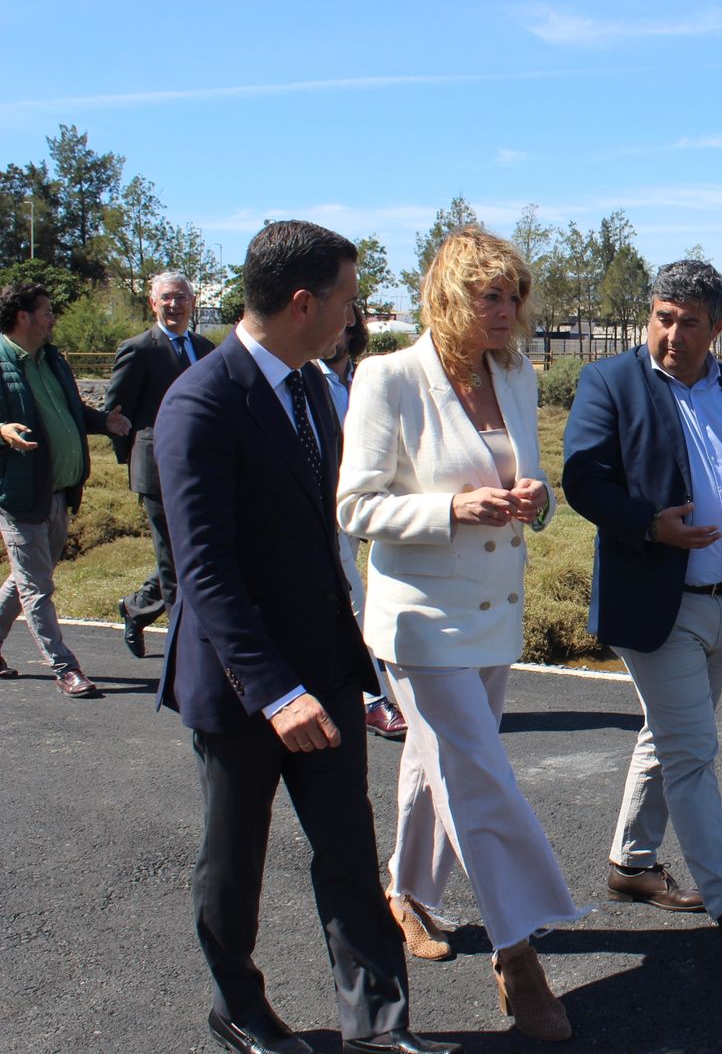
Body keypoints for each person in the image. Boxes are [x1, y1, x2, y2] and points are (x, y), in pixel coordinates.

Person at [155, 220, 459, 1054]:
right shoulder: (202, 402)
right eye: (347, 298)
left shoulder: (319, 389)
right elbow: (205, 571)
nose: (352, 315)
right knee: (234, 861)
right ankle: (239, 1008)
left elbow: (325, 540)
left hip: (322, 669)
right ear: (301, 303)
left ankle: (378, 1025)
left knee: (349, 857)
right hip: (242, 685)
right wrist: (277, 692)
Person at [338, 226, 579, 1043]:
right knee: (477, 775)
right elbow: (355, 506)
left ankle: (405, 893)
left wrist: (535, 500)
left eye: (515, 295)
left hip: (492, 615)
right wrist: (448, 509)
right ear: (449, 298)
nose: (508, 310)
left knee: (434, 762)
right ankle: (519, 956)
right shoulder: (389, 378)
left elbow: (529, 486)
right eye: (491, 296)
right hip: (419, 620)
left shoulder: (515, 373)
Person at [563, 259, 722, 957]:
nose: (672, 334)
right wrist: (648, 523)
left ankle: (631, 866)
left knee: (667, 738)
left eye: (689, 323)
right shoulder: (611, 382)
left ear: (718, 327)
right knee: (693, 752)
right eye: (662, 318)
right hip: (656, 607)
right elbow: (583, 479)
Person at [0, 282, 131, 697]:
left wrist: (103, 423)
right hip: (19, 495)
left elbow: (69, 410)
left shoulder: (52, 358)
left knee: (26, 579)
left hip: (59, 492)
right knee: (37, 586)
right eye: (47, 311)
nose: (53, 317)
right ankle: (65, 667)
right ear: (24, 317)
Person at [105, 270, 215, 659]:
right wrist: (136, 462)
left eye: (182, 297)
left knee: (199, 552)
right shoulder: (139, 349)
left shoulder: (205, 348)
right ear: (153, 303)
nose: (174, 305)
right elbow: (116, 414)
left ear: (192, 302)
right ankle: (183, 653)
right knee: (173, 559)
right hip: (157, 472)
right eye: (166, 298)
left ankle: (135, 607)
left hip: (205, 470)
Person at [317, 319, 408, 741]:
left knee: (338, 601)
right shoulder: (303, 379)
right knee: (355, 599)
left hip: (366, 510)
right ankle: (373, 699)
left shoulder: (367, 379)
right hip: (325, 510)